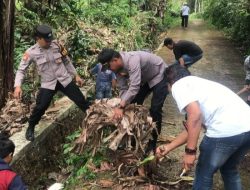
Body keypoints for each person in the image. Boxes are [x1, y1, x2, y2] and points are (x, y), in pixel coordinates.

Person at [156, 64, 250, 190]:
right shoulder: (198, 84)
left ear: (169, 82)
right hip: (247, 127)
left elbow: (195, 116)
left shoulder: (178, 85)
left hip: (225, 131)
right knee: (229, 169)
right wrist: (169, 147)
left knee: (204, 173)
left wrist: (190, 152)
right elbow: (193, 126)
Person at [14, 25, 90, 141]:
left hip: (64, 79)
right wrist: (18, 86)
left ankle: (93, 118)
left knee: (80, 100)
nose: (49, 42)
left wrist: (76, 75)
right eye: (46, 40)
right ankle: (31, 127)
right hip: (48, 83)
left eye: (50, 39)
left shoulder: (57, 45)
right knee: (41, 106)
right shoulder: (31, 53)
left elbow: (66, 60)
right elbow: (21, 70)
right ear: (38, 38)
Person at [97, 48, 168, 152]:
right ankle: (133, 137)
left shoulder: (132, 60)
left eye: (108, 66)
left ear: (115, 60)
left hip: (160, 75)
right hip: (146, 79)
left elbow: (134, 86)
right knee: (133, 104)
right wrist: (122, 104)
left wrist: (121, 106)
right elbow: (123, 88)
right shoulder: (116, 69)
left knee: (155, 109)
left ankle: (152, 143)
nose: (109, 69)